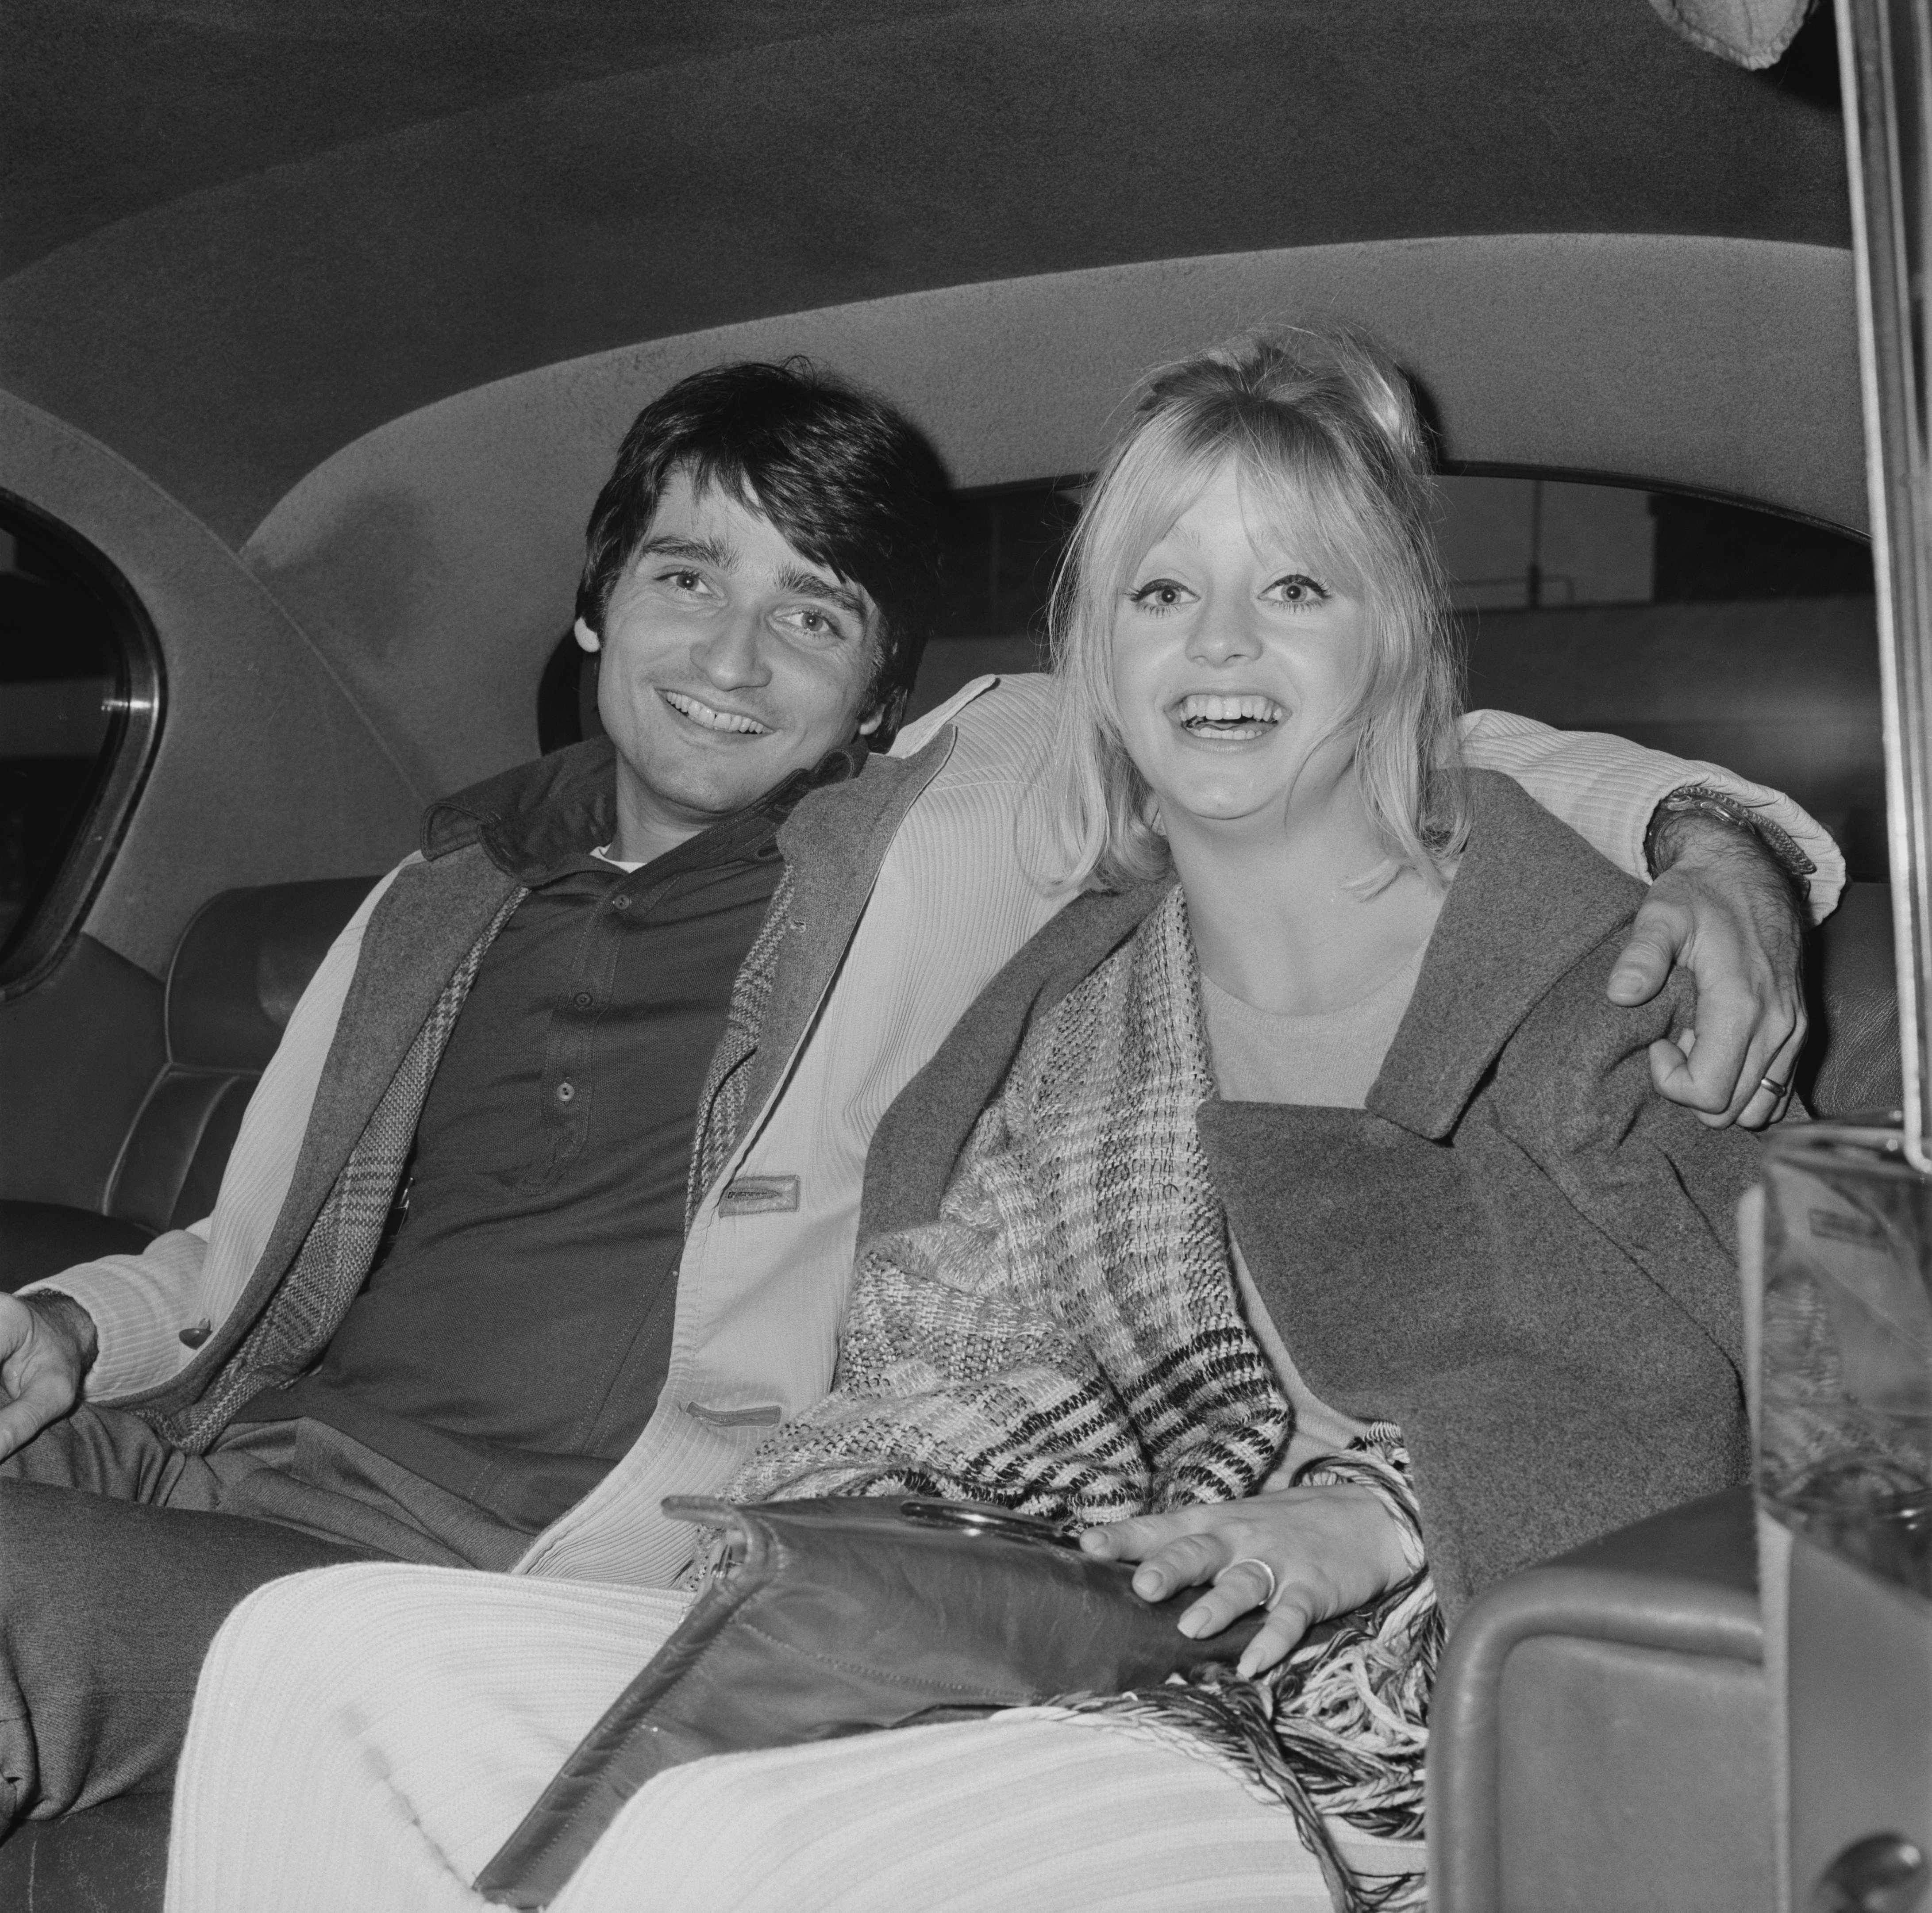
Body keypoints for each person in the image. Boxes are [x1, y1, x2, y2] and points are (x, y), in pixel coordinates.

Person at [166, 328, 1795, 1913]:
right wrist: (866, 1555)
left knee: (719, 1858)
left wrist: (1390, 1503)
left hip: (1391, 1696)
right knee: (314, 1657)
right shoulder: (1067, 1003)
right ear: (1096, 649)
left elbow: (1738, 1370)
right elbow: (941, 1357)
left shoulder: (1595, 959)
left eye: (1295, 589)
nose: (1219, 646)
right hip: (1078, 1621)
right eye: (1165, 592)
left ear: (1395, 640)